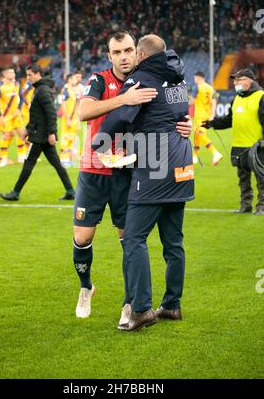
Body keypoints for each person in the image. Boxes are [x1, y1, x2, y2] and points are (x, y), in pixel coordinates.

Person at [72, 30, 192, 322]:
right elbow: (83, 112)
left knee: (130, 238)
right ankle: (86, 287)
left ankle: (132, 304)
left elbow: (172, 111)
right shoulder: (100, 80)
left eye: (128, 50)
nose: (123, 57)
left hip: (129, 169)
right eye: (117, 52)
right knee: (82, 237)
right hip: (94, 170)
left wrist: (186, 125)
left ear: (136, 53)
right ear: (109, 55)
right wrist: (123, 99)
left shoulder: (145, 78)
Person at [0, 64, 75, 202]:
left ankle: (15, 192)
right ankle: (70, 191)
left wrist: (52, 132)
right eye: (27, 75)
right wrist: (28, 130)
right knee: (55, 164)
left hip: (42, 136)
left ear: (38, 74)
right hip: (41, 134)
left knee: (29, 163)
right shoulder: (39, 89)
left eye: (30, 74)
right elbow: (36, 115)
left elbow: (51, 113)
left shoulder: (42, 90)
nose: (28, 78)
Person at [203, 69, 264, 216]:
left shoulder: (261, 97)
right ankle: (246, 205)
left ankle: (262, 206)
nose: (235, 83)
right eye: (234, 80)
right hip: (239, 146)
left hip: (257, 147)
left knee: (261, 179)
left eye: (238, 80)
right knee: (243, 180)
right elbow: (229, 120)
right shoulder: (236, 98)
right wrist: (212, 123)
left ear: (249, 81)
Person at [0, 68, 26, 167]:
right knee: (6, 135)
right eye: (10, 72)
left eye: (13, 72)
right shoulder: (0, 86)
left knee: (22, 133)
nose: (13, 74)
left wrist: (18, 109)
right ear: (5, 74)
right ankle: (3, 158)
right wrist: (1, 116)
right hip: (5, 115)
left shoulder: (17, 84)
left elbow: (22, 98)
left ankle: (21, 155)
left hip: (16, 114)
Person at [192, 71, 223, 166]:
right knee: (197, 135)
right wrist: (212, 115)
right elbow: (214, 102)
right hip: (207, 116)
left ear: (198, 77)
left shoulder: (197, 88)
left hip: (199, 116)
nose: (194, 80)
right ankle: (194, 157)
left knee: (199, 134)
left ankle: (215, 153)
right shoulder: (211, 88)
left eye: (195, 78)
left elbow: (191, 101)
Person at [60, 73, 83, 167]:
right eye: (74, 79)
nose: (76, 80)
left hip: (74, 119)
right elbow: (63, 106)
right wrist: (67, 119)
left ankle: (69, 159)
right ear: (69, 80)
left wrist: (77, 120)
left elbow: (76, 106)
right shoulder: (66, 91)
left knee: (71, 139)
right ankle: (63, 159)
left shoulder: (73, 91)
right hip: (68, 119)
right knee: (65, 138)